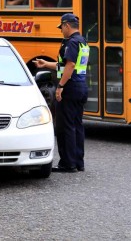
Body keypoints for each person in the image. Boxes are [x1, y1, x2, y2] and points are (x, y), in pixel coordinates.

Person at [33, 13, 90, 173]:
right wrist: (46, 64)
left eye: (61, 28)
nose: (61, 31)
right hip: (80, 87)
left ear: (67, 25)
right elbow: (65, 66)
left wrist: (60, 87)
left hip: (70, 88)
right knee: (77, 125)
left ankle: (68, 163)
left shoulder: (71, 43)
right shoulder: (82, 42)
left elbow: (70, 66)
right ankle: (79, 162)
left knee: (65, 126)